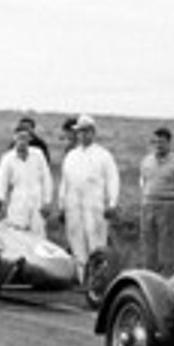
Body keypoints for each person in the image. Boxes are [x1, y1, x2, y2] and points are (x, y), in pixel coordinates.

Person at [58, 114, 120, 277]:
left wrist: (112, 203)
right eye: (80, 132)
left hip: (95, 207)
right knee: (76, 242)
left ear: (93, 132)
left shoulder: (103, 155)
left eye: (86, 131)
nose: (83, 135)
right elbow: (65, 182)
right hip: (73, 206)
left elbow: (113, 180)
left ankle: (98, 279)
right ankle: (81, 279)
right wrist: (62, 206)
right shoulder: (71, 156)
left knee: (96, 244)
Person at [138, 127, 174, 274]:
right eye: (155, 142)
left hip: (168, 206)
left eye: (161, 142)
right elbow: (143, 181)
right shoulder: (146, 161)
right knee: (149, 243)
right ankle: (149, 275)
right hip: (148, 206)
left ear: (169, 143)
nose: (158, 145)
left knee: (167, 246)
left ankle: (168, 278)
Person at [0, 125, 53, 235]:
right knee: (18, 236)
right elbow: (1, 185)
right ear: (14, 138)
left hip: (37, 202)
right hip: (18, 202)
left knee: (39, 236)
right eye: (19, 137)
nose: (22, 141)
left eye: (25, 138)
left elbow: (47, 179)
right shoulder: (8, 158)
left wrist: (47, 202)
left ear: (29, 139)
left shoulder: (38, 154)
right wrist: (0, 206)